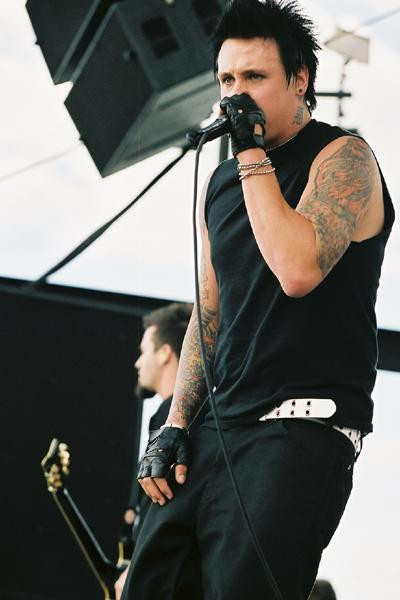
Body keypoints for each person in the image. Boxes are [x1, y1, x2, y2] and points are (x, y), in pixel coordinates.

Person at [122, 1, 395, 599]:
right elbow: (209, 312)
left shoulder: (344, 158)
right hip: (215, 428)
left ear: (300, 80)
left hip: (297, 430)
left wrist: (250, 153)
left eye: (254, 76)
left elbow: (297, 269)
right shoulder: (220, 185)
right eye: (226, 79)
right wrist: (174, 425)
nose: (235, 94)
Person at [115, 302, 204, 600]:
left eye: (144, 351)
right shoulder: (176, 417)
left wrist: (136, 569)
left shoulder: (176, 420)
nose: (138, 362)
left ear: (165, 352)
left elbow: (165, 506)